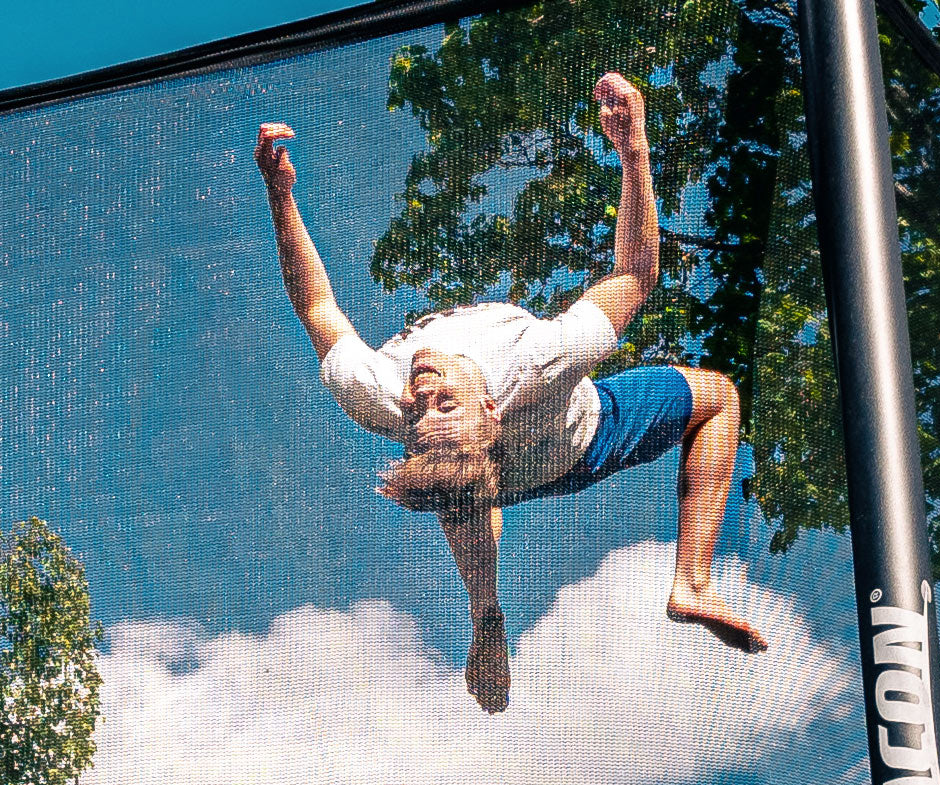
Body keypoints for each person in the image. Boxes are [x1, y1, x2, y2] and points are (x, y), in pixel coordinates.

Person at [255, 72, 765, 715]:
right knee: (718, 395)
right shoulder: (540, 363)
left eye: (418, 411)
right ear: (488, 406)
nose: (421, 392)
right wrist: (633, 147)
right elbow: (636, 274)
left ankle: (486, 617)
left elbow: (317, 304)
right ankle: (692, 580)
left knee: (455, 480)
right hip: (586, 440)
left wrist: (280, 196)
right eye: (442, 404)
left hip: (520, 458)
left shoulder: (377, 394)